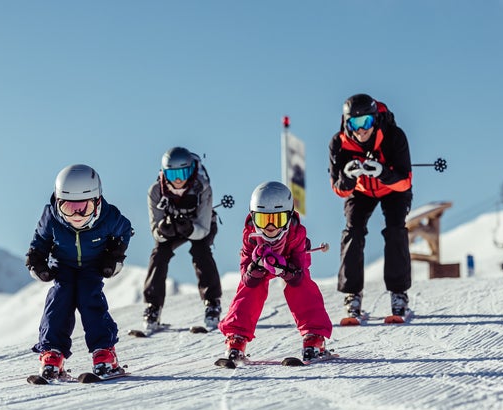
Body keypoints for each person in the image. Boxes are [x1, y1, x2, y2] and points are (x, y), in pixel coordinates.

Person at [26, 164, 134, 380]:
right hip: (63, 266)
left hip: (92, 265)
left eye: (82, 207)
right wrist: (36, 260)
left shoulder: (109, 216)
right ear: (58, 202)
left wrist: (113, 256)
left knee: (90, 299)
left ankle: (104, 352)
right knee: (58, 300)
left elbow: (125, 232)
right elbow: (40, 240)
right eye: (68, 207)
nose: (76, 215)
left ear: (97, 201)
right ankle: (52, 353)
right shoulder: (51, 217)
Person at [218, 181, 333, 362]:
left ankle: (314, 335)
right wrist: (253, 270)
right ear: (254, 217)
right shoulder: (250, 236)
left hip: (289, 262)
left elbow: (298, 274)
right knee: (249, 289)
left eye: (277, 219)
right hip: (262, 262)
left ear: (288, 217)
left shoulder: (296, 233)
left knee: (302, 286)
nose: (270, 227)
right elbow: (245, 275)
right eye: (263, 220)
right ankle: (237, 336)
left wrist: (286, 270)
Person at [328, 93, 413, 322]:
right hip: (361, 190)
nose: (361, 130)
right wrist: (348, 177)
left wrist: (382, 173)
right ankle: (352, 294)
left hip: (393, 189)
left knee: (395, 229)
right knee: (352, 231)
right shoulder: (339, 144)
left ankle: (398, 293)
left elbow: (406, 180)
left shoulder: (394, 137)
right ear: (347, 123)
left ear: (375, 120)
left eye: (366, 122)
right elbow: (338, 189)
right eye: (355, 123)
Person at [142, 146, 222, 333]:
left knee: (201, 251)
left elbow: (203, 229)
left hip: (199, 226)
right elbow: (155, 229)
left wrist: (189, 227)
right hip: (172, 229)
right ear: (164, 174)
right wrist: (163, 230)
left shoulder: (202, 187)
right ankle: (152, 307)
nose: (178, 180)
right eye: (172, 174)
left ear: (192, 170)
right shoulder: (155, 191)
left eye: (183, 172)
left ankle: (212, 303)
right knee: (159, 254)